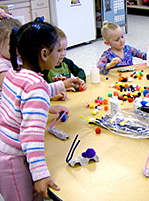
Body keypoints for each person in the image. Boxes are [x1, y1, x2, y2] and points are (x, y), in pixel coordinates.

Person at [0, 18, 82, 200]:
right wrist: (41, 175)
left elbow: (25, 96)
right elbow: (31, 135)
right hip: (13, 158)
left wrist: (62, 85)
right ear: (44, 54)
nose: (60, 55)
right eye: (57, 50)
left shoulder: (15, 71)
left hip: (6, 147)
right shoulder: (36, 86)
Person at [43, 27, 86, 101]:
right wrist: (52, 96)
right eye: (59, 50)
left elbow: (79, 71)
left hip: (70, 97)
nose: (63, 53)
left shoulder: (66, 62)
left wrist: (80, 80)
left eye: (65, 49)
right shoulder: (45, 68)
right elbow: (43, 89)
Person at [0, 8, 22, 102]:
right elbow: (8, 85)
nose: (16, 48)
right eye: (11, 44)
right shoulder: (2, 64)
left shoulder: (16, 58)